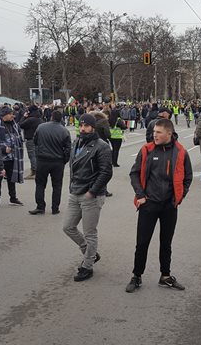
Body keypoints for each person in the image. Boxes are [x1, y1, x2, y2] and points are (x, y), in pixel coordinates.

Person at [126, 119, 192, 293]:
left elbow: (187, 177)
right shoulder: (146, 150)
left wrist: (180, 197)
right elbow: (134, 173)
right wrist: (140, 195)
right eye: (154, 132)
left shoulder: (181, 152)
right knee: (142, 243)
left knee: (166, 243)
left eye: (159, 132)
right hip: (149, 205)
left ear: (169, 134)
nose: (154, 135)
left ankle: (165, 276)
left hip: (170, 206)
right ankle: (137, 276)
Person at [63, 113, 113, 282]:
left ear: (93, 127)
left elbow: (106, 172)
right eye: (81, 125)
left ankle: (87, 267)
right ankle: (89, 253)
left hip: (91, 195)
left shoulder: (102, 146)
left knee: (90, 232)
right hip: (75, 192)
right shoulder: (76, 142)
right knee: (68, 227)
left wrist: (92, 191)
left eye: (86, 126)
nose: (82, 128)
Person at [29, 110, 71, 215]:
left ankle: (40, 206)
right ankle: (55, 208)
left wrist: (38, 153)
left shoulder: (41, 127)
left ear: (51, 117)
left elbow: (35, 141)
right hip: (57, 161)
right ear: (61, 118)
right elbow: (68, 148)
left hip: (43, 160)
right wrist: (64, 160)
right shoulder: (64, 131)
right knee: (57, 185)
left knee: (40, 184)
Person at [0, 106, 24, 209]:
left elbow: (18, 138)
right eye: (11, 114)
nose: (13, 116)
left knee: (11, 178)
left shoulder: (13, 124)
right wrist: (3, 149)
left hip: (12, 156)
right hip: (1, 158)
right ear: (5, 115)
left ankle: (13, 198)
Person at [19, 105, 43, 179]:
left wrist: (24, 117)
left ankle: (34, 172)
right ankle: (38, 171)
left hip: (30, 139)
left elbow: (21, 125)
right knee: (37, 155)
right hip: (38, 139)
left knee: (32, 155)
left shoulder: (30, 120)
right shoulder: (39, 119)